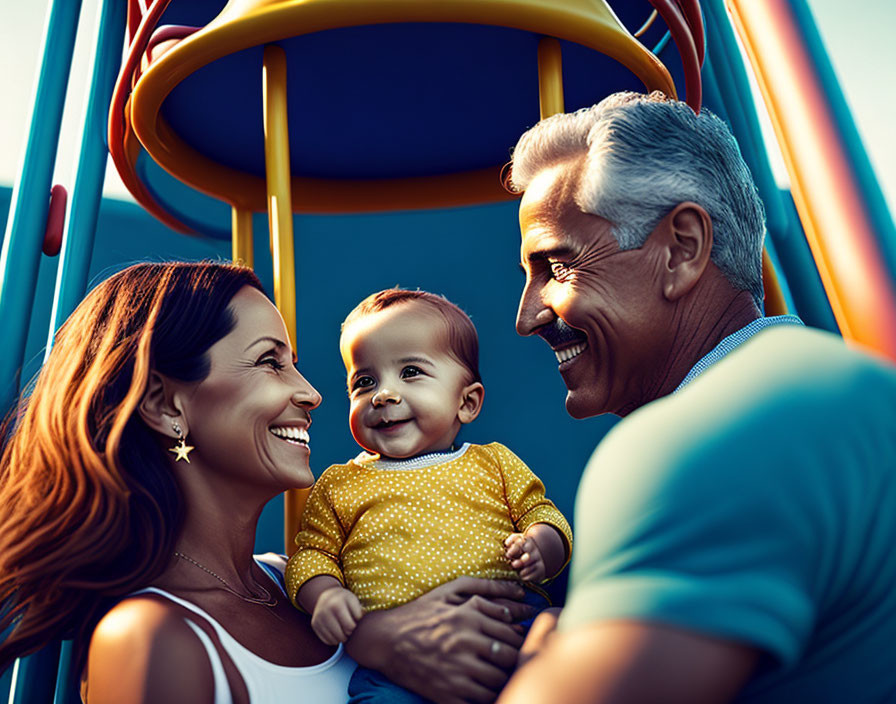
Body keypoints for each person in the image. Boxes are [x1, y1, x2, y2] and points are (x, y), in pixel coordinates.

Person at [495, 91, 896, 703]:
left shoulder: (700, 444)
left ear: (681, 248)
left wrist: (543, 670)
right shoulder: (852, 393)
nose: (526, 316)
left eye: (557, 265)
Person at [0, 262, 531, 704]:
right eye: (269, 362)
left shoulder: (305, 582)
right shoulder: (152, 638)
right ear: (166, 405)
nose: (311, 394)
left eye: (293, 363)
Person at [286, 289, 573, 703]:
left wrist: (539, 545)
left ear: (467, 402)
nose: (383, 394)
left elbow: (542, 514)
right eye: (364, 382)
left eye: (411, 373)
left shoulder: (492, 462)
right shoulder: (338, 484)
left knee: (563, 637)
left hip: (511, 629)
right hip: (397, 659)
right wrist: (325, 594)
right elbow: (312, 553)